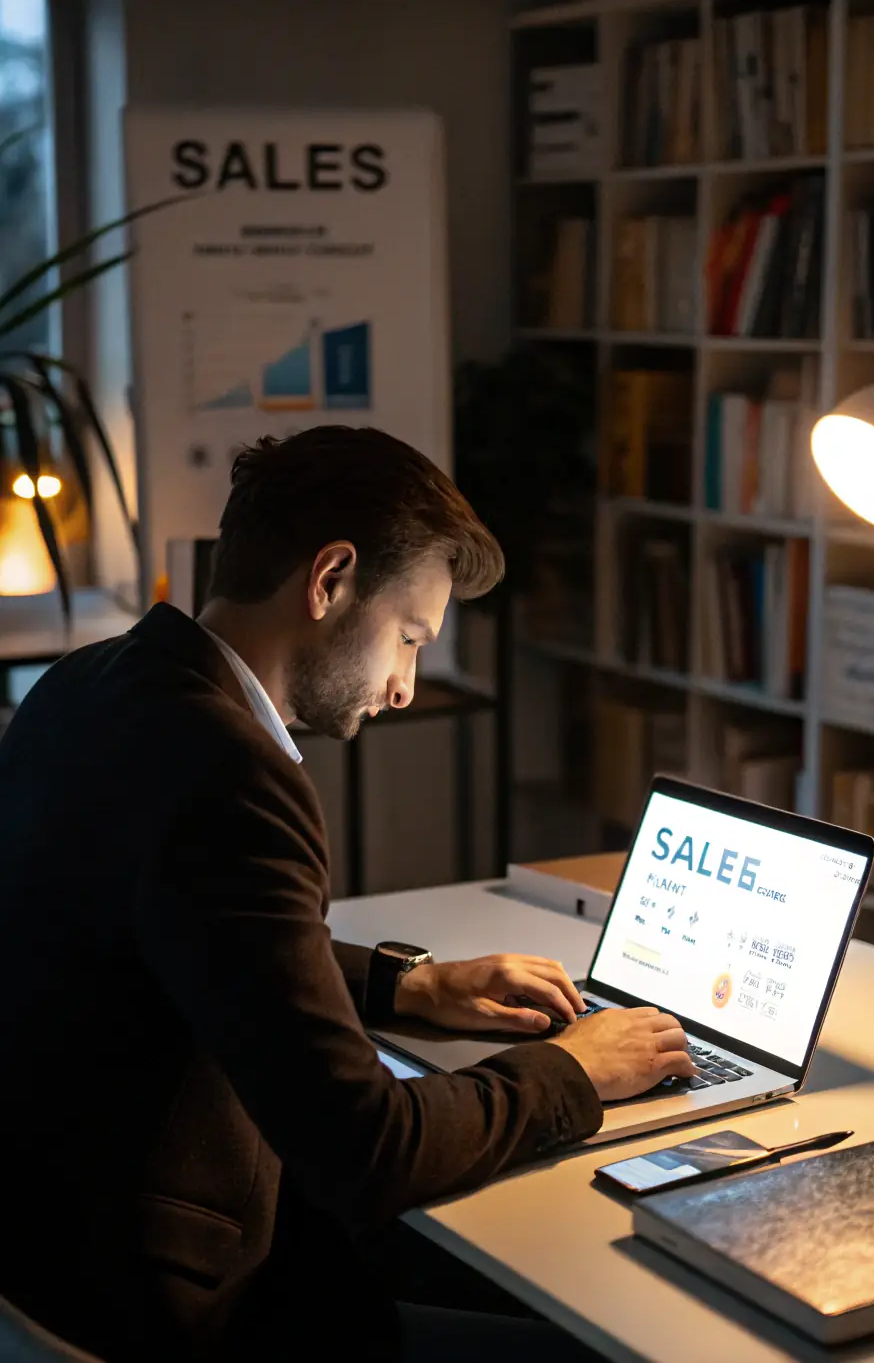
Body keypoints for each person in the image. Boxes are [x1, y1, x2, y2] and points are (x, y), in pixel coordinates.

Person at [0, 427, 694, 1363]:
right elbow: (365, 1150)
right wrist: (578, 1071)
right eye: (408, 636)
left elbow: (182, 927)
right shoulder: (231, 772)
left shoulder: (91, 684)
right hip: (173, 1305)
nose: (406, 686)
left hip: (45, 1256)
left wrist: (411, 986)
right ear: (329, 580)